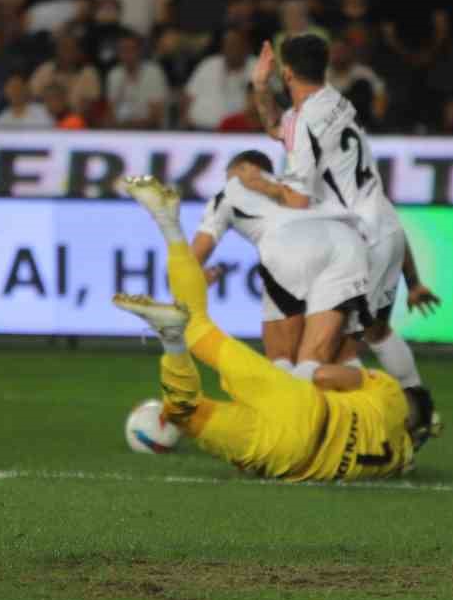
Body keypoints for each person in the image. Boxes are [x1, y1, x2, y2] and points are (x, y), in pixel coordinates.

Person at [112, 174, 435, 482]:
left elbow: (325, 375)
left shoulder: (390, 392)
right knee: (185, 413)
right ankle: (172, 343)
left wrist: (286, 381)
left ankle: (169, 224)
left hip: (302, 405)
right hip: (289, 453)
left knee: (197, 325)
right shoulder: (398, 462)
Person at [248, 34, 440, 384]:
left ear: (287, 73)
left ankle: (379, 411)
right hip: (386, 229)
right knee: (375, 333)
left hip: (362, 244)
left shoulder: (305, 122)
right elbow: (278, 127)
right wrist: (261, 86)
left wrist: (254, 187)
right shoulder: (336, 102)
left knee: (323, 359)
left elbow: (297, 200)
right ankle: (420, 406)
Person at [193, 150, 372, 369]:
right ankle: (369, 399)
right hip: (350, 247)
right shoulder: (300, 186)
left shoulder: (230, 192)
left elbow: (198, 251)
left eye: (229, 174)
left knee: (284, 356)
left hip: (289, 246)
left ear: (245, 167)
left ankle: (291, 398)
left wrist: (194, 274)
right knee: (340, 354)